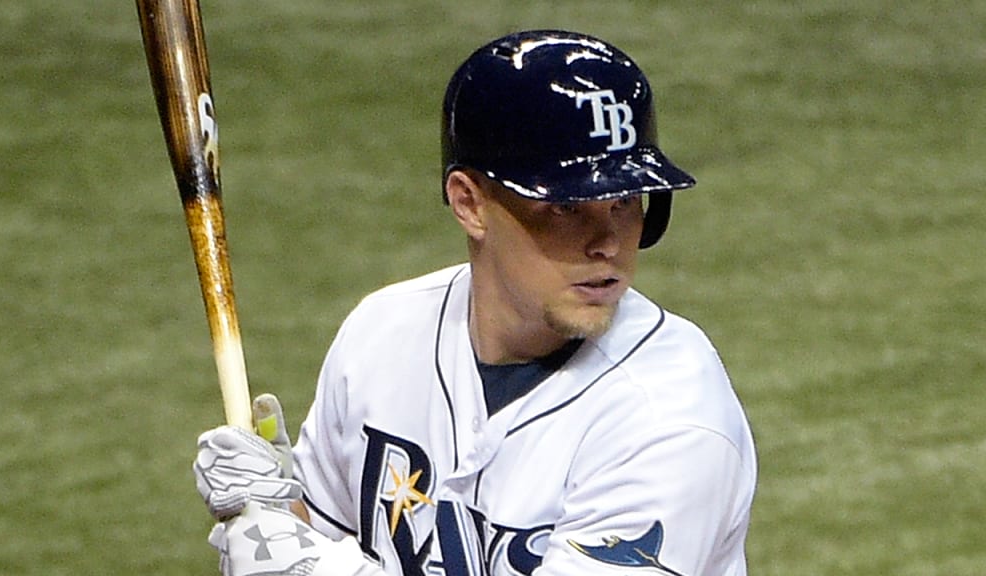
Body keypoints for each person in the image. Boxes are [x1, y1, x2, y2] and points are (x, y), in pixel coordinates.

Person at [194, 29, 757, 576]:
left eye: (625, 202)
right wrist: (268, 515)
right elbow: (318, 539)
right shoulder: (381, 336)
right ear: (469, 202)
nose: (607, 242)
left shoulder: (672, 420)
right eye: (565, 207)